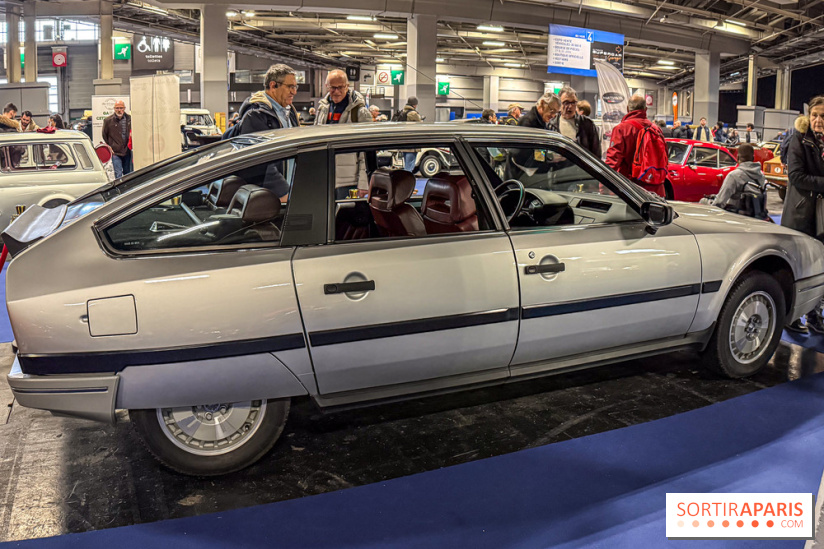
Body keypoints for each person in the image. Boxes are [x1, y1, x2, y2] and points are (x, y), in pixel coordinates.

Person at [781, 95, 824, 333]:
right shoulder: (799, 137)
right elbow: (796, 176)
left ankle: (815, 317)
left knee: (820, 268)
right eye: (814, 115)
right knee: (800, 268)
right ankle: (792, 316)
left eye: (823, 116)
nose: (818, 120)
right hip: (801, 214)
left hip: (822, 215)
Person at [315, 69, 372, 199]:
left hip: (349, 181)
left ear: (347, 86)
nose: (336, 91)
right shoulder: (322, 109)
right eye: (333, 88)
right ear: (326, 87)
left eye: (340, 87)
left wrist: (363, 183)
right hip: (324, 178)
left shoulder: (360, 113)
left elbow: (367, 151)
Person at [605, 95, 665, 191]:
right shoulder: (656, 129)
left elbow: (613, 161)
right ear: (645, 109)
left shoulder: (621, 129)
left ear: (627, 109)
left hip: (631, 189)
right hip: (657, 188)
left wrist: (603, 187)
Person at [235, 63, 299, 136]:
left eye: (295, 87)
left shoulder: (290, 111)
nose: (294, 92)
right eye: (290, 87)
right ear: (273, 86)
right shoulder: (255, 115)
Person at [712, 144, 767, 219]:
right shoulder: (761, 175)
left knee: (704, 201)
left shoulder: (734, 175)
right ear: (753, 158)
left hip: (737, 217)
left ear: (737, 157)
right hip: (757, 216)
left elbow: (719, 203)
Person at [548, 86, 601, 157]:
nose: (570, 106)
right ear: (559, 104)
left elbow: (596, 153)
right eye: (566, 102)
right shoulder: (551, 124)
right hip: (558, 164)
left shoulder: (587, 124)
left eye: (573, 102)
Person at [102, 100, 132, 178]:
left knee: (128, 173)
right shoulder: (108, 121)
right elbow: (104, 134)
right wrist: (110, 146)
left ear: (124, 108)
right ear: (114, 109)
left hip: (127, 151)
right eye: (117, 108)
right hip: (115, 152)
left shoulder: (130, 119)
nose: (119, 110)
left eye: (121, 108)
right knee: (118, 174)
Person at [396, 97, 422, 171]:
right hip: (412, 142)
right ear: (414, 105)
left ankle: (405, 177)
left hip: (404, 141)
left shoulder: (402, 112)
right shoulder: (413, 113)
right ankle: (406, 178)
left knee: (407, 163)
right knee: (409, 166)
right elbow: (420, 124)